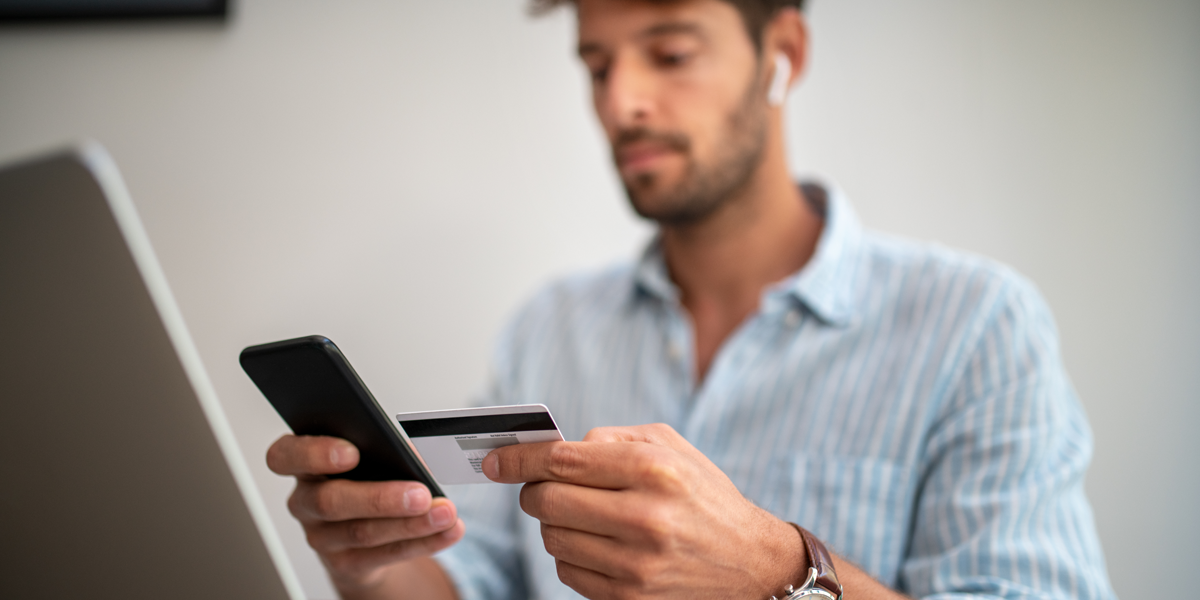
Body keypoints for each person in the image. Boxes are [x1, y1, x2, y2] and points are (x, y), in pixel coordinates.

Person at [265, 0, 1117, 598]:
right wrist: (369, 565)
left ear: (785, 50)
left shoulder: (976, 325)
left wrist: (773, 573)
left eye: (669, 54)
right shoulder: (548, 326)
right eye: (597, 65)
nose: (621, 101)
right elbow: (476, 583)